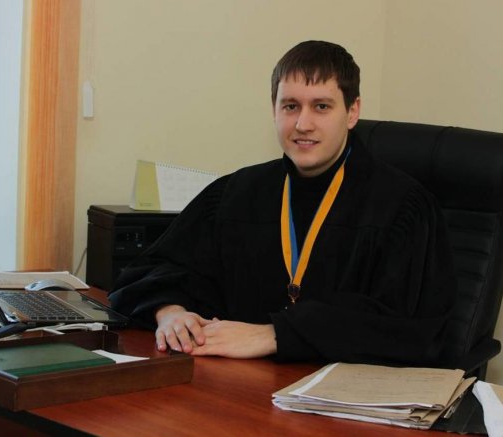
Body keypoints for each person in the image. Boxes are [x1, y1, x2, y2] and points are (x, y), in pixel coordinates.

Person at [109, 40, 456, 366]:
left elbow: (411, 331)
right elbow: (153, 272)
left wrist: (277, 334)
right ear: (274, 111)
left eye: (321, 106)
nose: (303, 124)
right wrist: (170, 312)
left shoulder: (402, 208)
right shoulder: (235, 194)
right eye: (290, 106)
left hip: (339, 397)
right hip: (237, 385)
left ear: (352, 112)